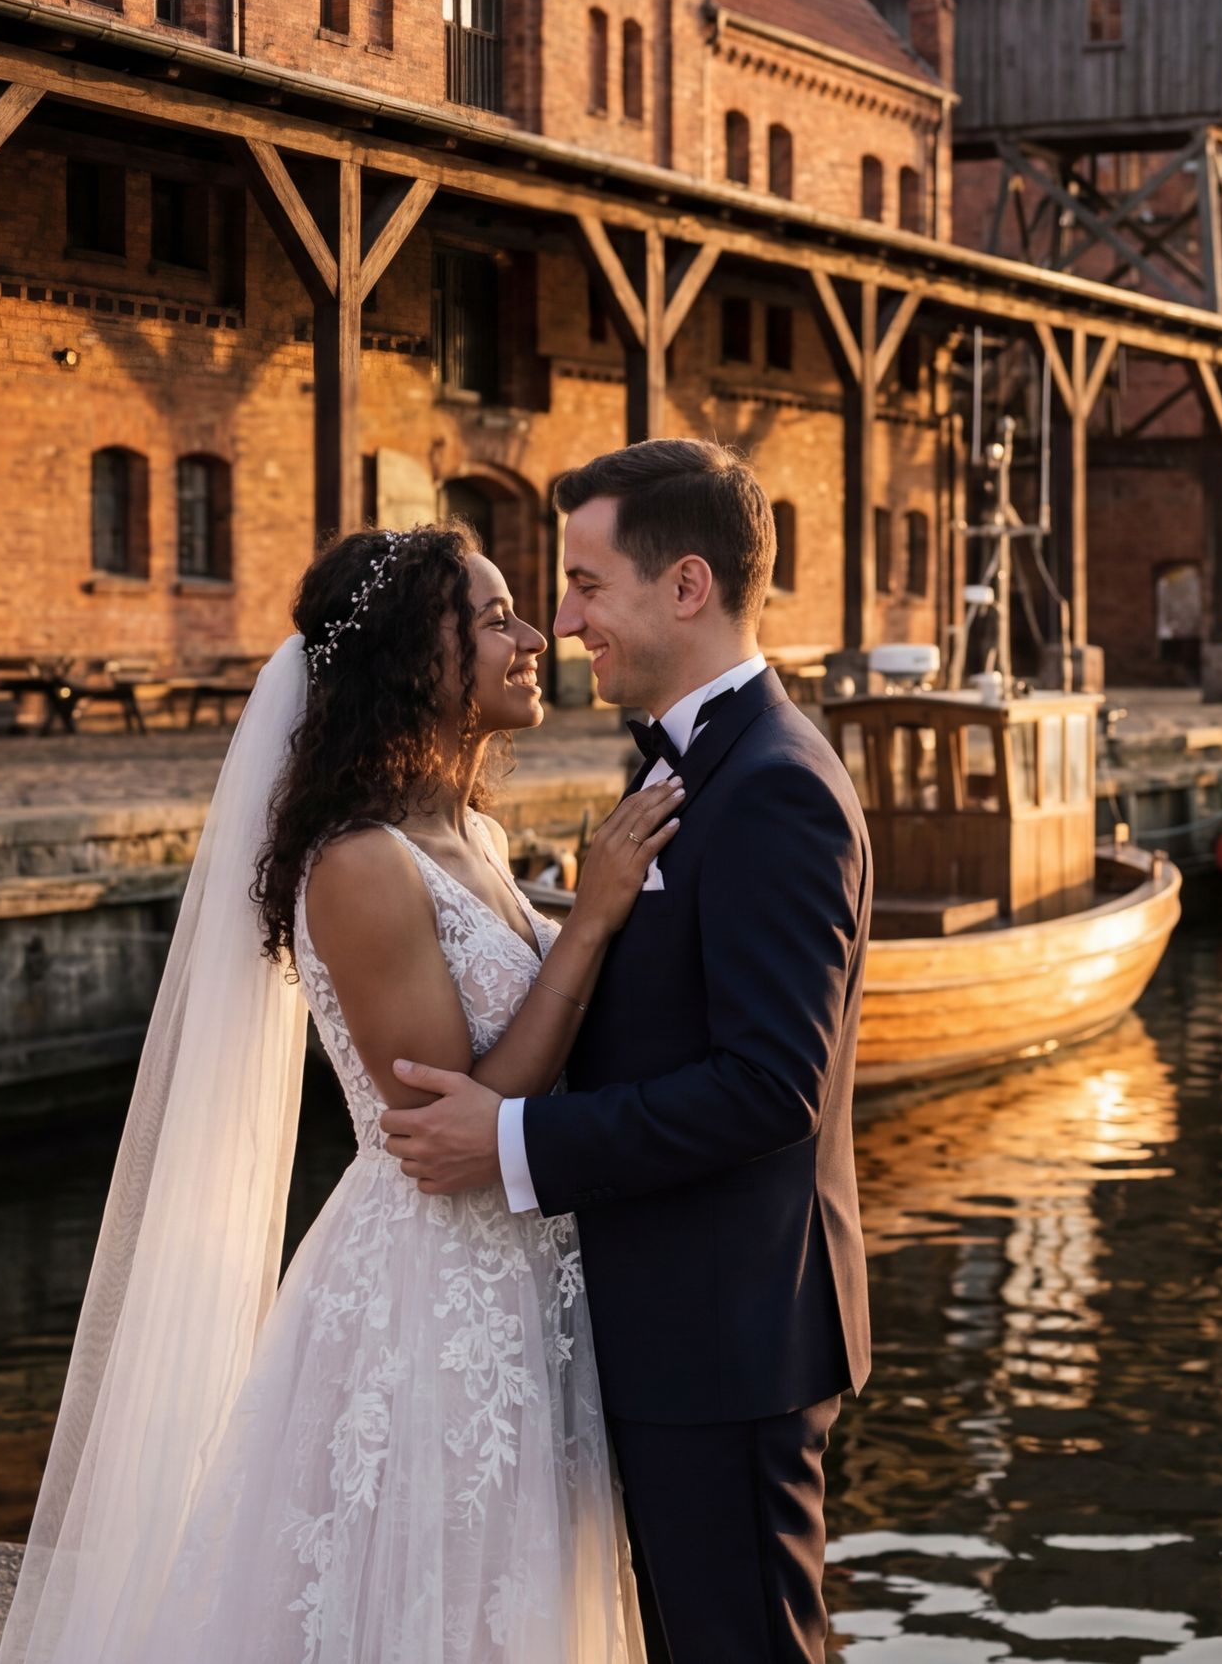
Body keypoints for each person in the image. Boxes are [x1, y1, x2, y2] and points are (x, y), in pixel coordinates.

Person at [0, 523, 682, 1663]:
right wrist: (595, 916)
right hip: (431, 1284)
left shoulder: (474, 833)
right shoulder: (360, 863)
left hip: (527, 1272)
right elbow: (443, 1120)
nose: (533, 639)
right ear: (421, 656)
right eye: (498, 617)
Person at [382, 439, 874, 1664]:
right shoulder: (687, 762)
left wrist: (510, 1140)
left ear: (687, 588)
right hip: (674, 1323)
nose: (564, 619)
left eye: (589, 586)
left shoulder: (772, 786)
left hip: (730, 1332)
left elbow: (772, 1088)